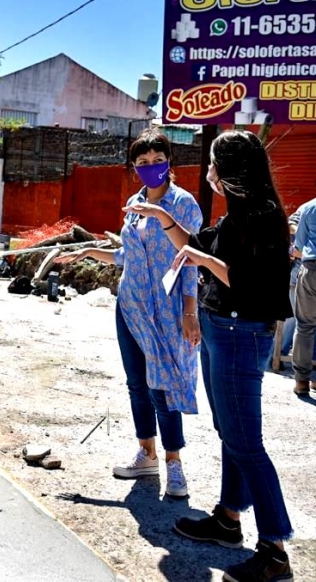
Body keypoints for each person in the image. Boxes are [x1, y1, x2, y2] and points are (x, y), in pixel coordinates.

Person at [126, 130, 294, 581]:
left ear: (232, 171)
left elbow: (249, 283)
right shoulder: (237, 213)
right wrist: (161, 215)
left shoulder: (261, 216)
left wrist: (206, 266)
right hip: (224, 329)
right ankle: (227, 519)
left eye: (214, 164)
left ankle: (275, 548)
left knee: (245, 444)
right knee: (230, 433)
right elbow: (195, 246)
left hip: (242, 333)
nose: (209, 172)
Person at [54, 129, 202, 499]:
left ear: (169, 162)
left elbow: (190, 262)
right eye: (143, 163)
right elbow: (127, 258)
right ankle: (147, 453)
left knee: (163, 384)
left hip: (166, 312)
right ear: (134, 167)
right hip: (130, 308)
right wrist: (89, 253)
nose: (151, 168)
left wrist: (189, 310)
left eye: (157, 161)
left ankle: (174, 463)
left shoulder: (184, 204)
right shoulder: (134, 203)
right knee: (137, 384)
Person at [291, 172, 316, 397]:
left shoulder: (309, 208)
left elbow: (298, 247)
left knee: (304, 326)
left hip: (312, 270)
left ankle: (302, 380)